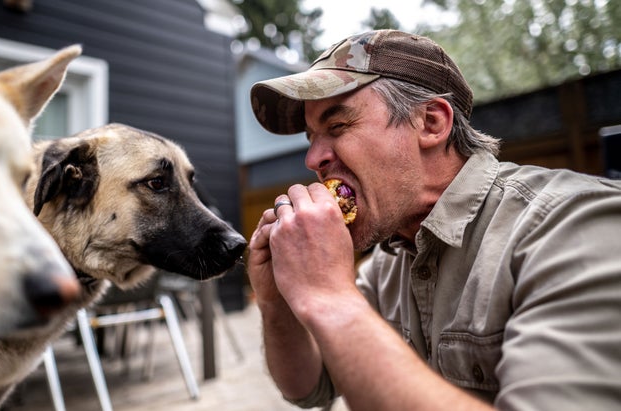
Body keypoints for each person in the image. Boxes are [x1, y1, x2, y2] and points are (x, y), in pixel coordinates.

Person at [246, 29, 621, 410]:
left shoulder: (572, 226)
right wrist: (276, 303)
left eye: (338, 126)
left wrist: (331, 299)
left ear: (430, 123)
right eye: (311, 138)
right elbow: (310, 389)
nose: (313, 160)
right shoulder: (385, 267)